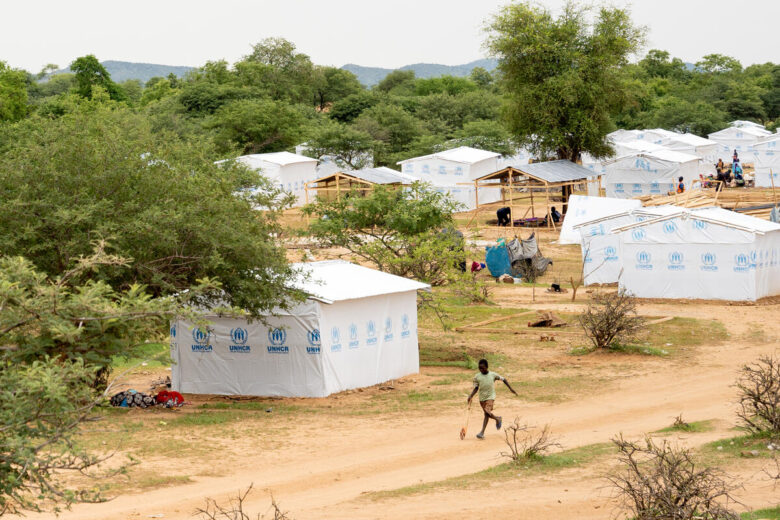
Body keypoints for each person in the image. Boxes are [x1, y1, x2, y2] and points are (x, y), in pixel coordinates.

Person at [467, 358, 517, 439]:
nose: (481, 369)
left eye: (483, 368)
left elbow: (504, 379)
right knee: (486, 414)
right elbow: (476, 388)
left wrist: (510, 389)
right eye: (479, 368)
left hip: (490, 397)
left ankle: (482, 432)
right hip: (482, 398)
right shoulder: (477, 377)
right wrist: (471, 396)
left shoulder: (493, 375)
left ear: (487, 367)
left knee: (487, 412)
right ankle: (498, 419)